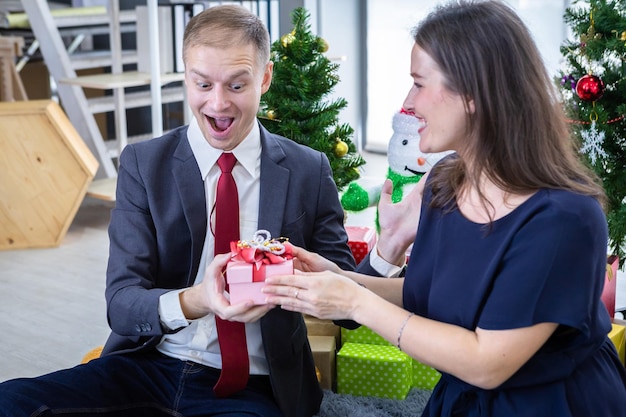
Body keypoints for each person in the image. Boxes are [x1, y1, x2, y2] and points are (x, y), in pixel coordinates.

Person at [262, 1, 626, 415]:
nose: (408, 103)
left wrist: (354, 302)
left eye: (419, 83)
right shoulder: (446, 181)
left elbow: (488, 363)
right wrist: (342, 279)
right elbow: (431, 295)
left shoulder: (564, 220)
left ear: (472, 93)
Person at [0, 5, 355, 417]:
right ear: (185, 75)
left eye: (237, 86)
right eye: (202, 84)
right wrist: (197, 300)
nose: (218, 104)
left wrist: (387, 250)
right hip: (148, 365)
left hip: (255, 383)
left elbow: (350, 311)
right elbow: (122, 303)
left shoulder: (308, 170)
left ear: (265, 77)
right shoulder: (143, 164)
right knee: (11, 403)